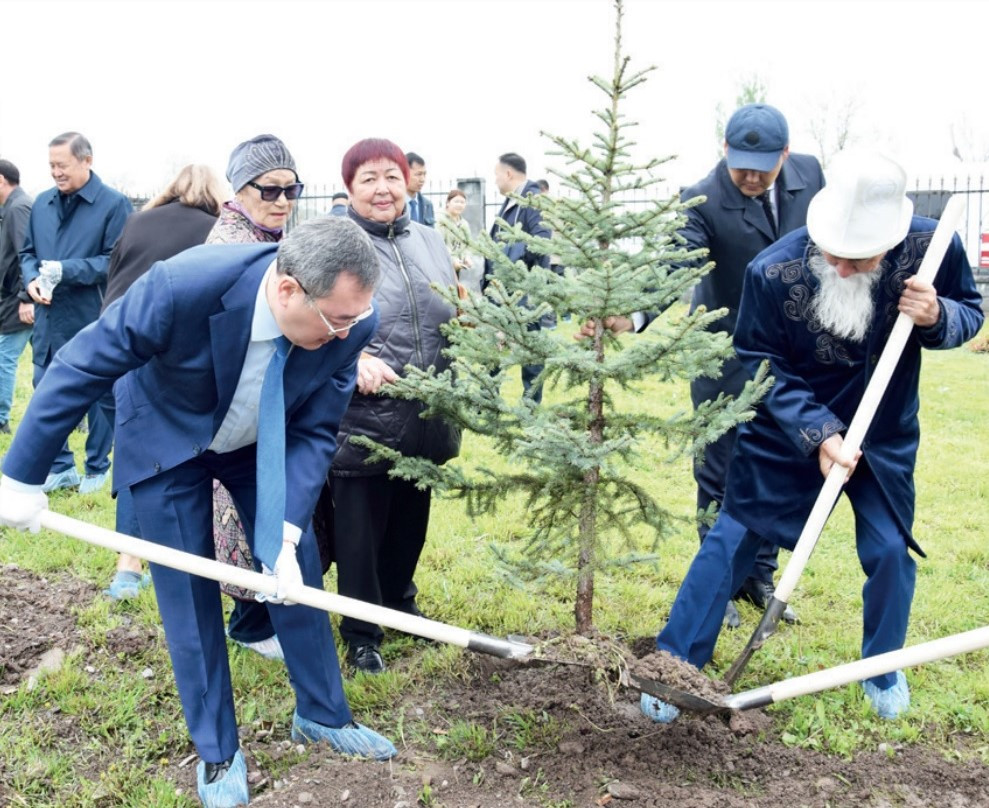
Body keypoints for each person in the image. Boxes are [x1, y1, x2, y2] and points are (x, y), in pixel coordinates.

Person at [0, 216, 398, 807]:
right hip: (169, 436)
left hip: (258, 440)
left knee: (298, 569)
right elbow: (83, 364)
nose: (348, 334)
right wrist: (19, 475)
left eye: (355, 319)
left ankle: (322, 714)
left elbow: (314, 431)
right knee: (187, 585)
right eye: (336, 319)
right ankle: (217, 754)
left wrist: (283, 534)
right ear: (288, 289)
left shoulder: (352, 321)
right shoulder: (182, 287)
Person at [639, 151, 984, 725]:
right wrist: (820, 434)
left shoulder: (932, 248)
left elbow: (969, 314)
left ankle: (881, 669)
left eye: (859, 257)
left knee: (890, 551)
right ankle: (676, 663)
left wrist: (937, 314)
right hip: (787, 426)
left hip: (882, 430)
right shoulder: (772, 272)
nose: (843, 268)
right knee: (732, 539)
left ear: (892, 240)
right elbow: (757, 361)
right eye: (833, 254)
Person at [312, 138, 461, 675]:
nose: (382, 189)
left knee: (409, 520)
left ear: (408, 182)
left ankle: (401, 604)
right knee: (360, 526)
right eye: (369, 178)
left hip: (426, 408)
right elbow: (309, 314)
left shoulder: (428, 238)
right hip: (363, 414)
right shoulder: (333, 241)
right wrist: (353, 358)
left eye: (392, 177)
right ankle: (360, 631)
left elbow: (451, 303)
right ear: (349, 186)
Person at [680, 104, 825, 627]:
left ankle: (758, 575)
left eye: (763, 166)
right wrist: (633, 311)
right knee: (720, 471)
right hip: (724, 358)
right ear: (725, 149)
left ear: (785, 155)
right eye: (740, 163)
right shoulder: (700, 199)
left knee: (777, 466)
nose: (750, 176)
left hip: (790, 358)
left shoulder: (810, 175)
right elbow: (679, 263)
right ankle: (718, 581)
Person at [100, 164, 225, 600]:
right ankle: (190, 560)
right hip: (183, 359)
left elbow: (111, 280)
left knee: (135, 457)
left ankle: (127, 570)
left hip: (125, 346)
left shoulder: (137, 222)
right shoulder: (217, 229)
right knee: (193, 460)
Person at [207, 134, 305, 662]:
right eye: (271, 191)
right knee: (243, 519)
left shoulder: (273, 236)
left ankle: (259, 616)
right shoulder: (229, 247)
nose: (284, 201)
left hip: (273, 403)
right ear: (241, 190)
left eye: (293, 189)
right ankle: (250, 624)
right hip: (237, 410)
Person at [19, 132, 132, 494]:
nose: (56, 172)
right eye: (51, 165)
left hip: (92, 315)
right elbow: (27, 253)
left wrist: (66, 270)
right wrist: (31, 280)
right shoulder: (41, 204)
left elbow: (113, 262)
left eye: (62, 165)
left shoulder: (114, 205)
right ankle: (61, 466)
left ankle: (98, 467)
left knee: (99, 395)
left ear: (87, 160)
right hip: (49, 321)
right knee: (45, 392)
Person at [483, 152, 551, 402]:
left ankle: (530, 407)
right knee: (492, 349)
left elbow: (541, 242)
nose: (496, 180)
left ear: (508, 173)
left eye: (497, 175)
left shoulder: (532, 199)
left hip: (523, 294)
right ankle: (487, 401)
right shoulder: (510, 202)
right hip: (501, 294)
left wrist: (510, 266)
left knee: (530, 353)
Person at [0, 160, 34, 435]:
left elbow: (28, 253)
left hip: (19, 299)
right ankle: (77, 416)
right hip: (18, 295)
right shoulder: (11, 207)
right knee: (51, 359)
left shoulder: (18, 207)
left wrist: (26, 297)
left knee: (4, 357)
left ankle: (0, 419)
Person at [436, 188, 473, 276]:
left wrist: (466, 257)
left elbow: (469, 245)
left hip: (457, 267)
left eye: (462, 202)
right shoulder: (439, 219)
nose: (459, 205)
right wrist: (453, 259)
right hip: (441, 266)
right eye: (456, 202)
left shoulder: (464, 224)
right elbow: (439, 243)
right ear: (448, 203)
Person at [405, 151, 435, 227]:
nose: (422, 179)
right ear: (404, 174)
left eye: (424, 174)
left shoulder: (427, 205)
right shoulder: (394, 204)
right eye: (418, 174)